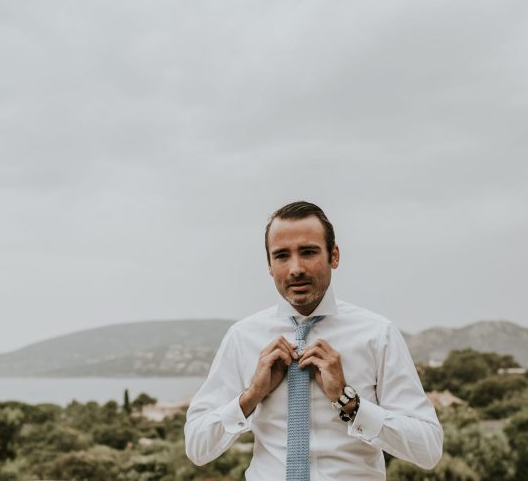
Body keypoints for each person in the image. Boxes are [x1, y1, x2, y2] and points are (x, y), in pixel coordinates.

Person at [185, 201, 443, 480]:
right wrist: (251, 397)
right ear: (270, 265)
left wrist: (349, 402)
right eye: (282, 255)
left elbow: (428, 449)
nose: (296, 268)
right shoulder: (242, 337)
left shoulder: (378, 334)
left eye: (308, 252)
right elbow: (197, 448)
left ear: (334, 256)